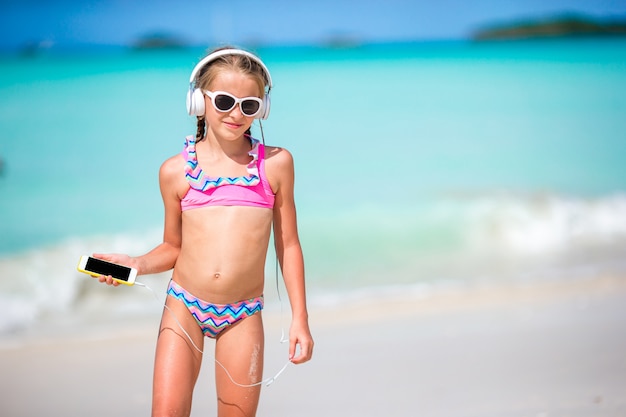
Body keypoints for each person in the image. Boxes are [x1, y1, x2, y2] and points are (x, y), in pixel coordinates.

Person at [92, 47, 314, 417]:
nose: (236, 114)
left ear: (263, 108)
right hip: (185, 306)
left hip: (243, 314)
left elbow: (288, 245)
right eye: (225, 101)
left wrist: (300, 319)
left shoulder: (276, 165)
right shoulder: (175, 172)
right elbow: (171, 247)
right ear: (198, 100)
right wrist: (135, 264)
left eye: (250, 105)